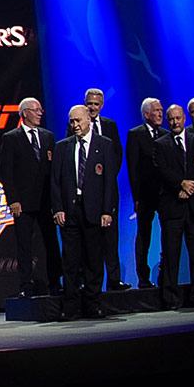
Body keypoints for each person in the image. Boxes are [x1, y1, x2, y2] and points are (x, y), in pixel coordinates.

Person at [52, 105, 119, 320]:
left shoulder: (104, 145)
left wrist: (107, 211)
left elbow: (110, 182)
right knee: (70, 261)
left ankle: (93, 304)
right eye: (72, 121)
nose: (75, 125)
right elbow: (55, 182)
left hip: (94, 211)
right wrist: (58, 208)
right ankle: (70, 306)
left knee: (93, 260)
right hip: (70, 211)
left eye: (78, 121)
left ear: (89, 119)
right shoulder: (62, 147)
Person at [0, 97, 60, 298]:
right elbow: (6, 172)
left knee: (51, 243)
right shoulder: (11, 138)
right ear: (25, 113)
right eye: (36, 110)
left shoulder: (48, 136)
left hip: (46, 201)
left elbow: (54, 170)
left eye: (41, 109)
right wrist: (13, 200)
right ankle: (26, 285)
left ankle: (55, 282)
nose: (40, 113)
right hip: (22, 203)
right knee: (24, 245)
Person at [70, 88, 129, 290]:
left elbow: (117, 154)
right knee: (87, 240)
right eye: (89, 104)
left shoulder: (110, 126)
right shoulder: (74, 126)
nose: (92, 108)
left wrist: (108, 178)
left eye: (96, 104)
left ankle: (114, 279)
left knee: (111, 237)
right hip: (84, 195)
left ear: (102, 105)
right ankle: (85, 281)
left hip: (107, 190)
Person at [152, 104, 194, 309]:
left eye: (178, 118)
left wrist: (190, 187)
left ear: (184, 119)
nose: (175, 123)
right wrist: (180, 184)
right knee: (171, 254)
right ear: (168, 121)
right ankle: (170, 298)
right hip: (173, 207)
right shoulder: (161, 144)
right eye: (171, 120)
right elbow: (162, 170)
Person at [125, 98, 165, 288]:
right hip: (145, 195)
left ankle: (166, 272)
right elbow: (133, 169)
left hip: (165, 194)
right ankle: (143, 276)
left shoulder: (166, 134)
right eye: (156, 110)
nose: (160, 113)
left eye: (161, 110)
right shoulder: (135, 135)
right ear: (146, 114)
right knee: (144, 235)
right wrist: (137, 198)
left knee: (169, 234)